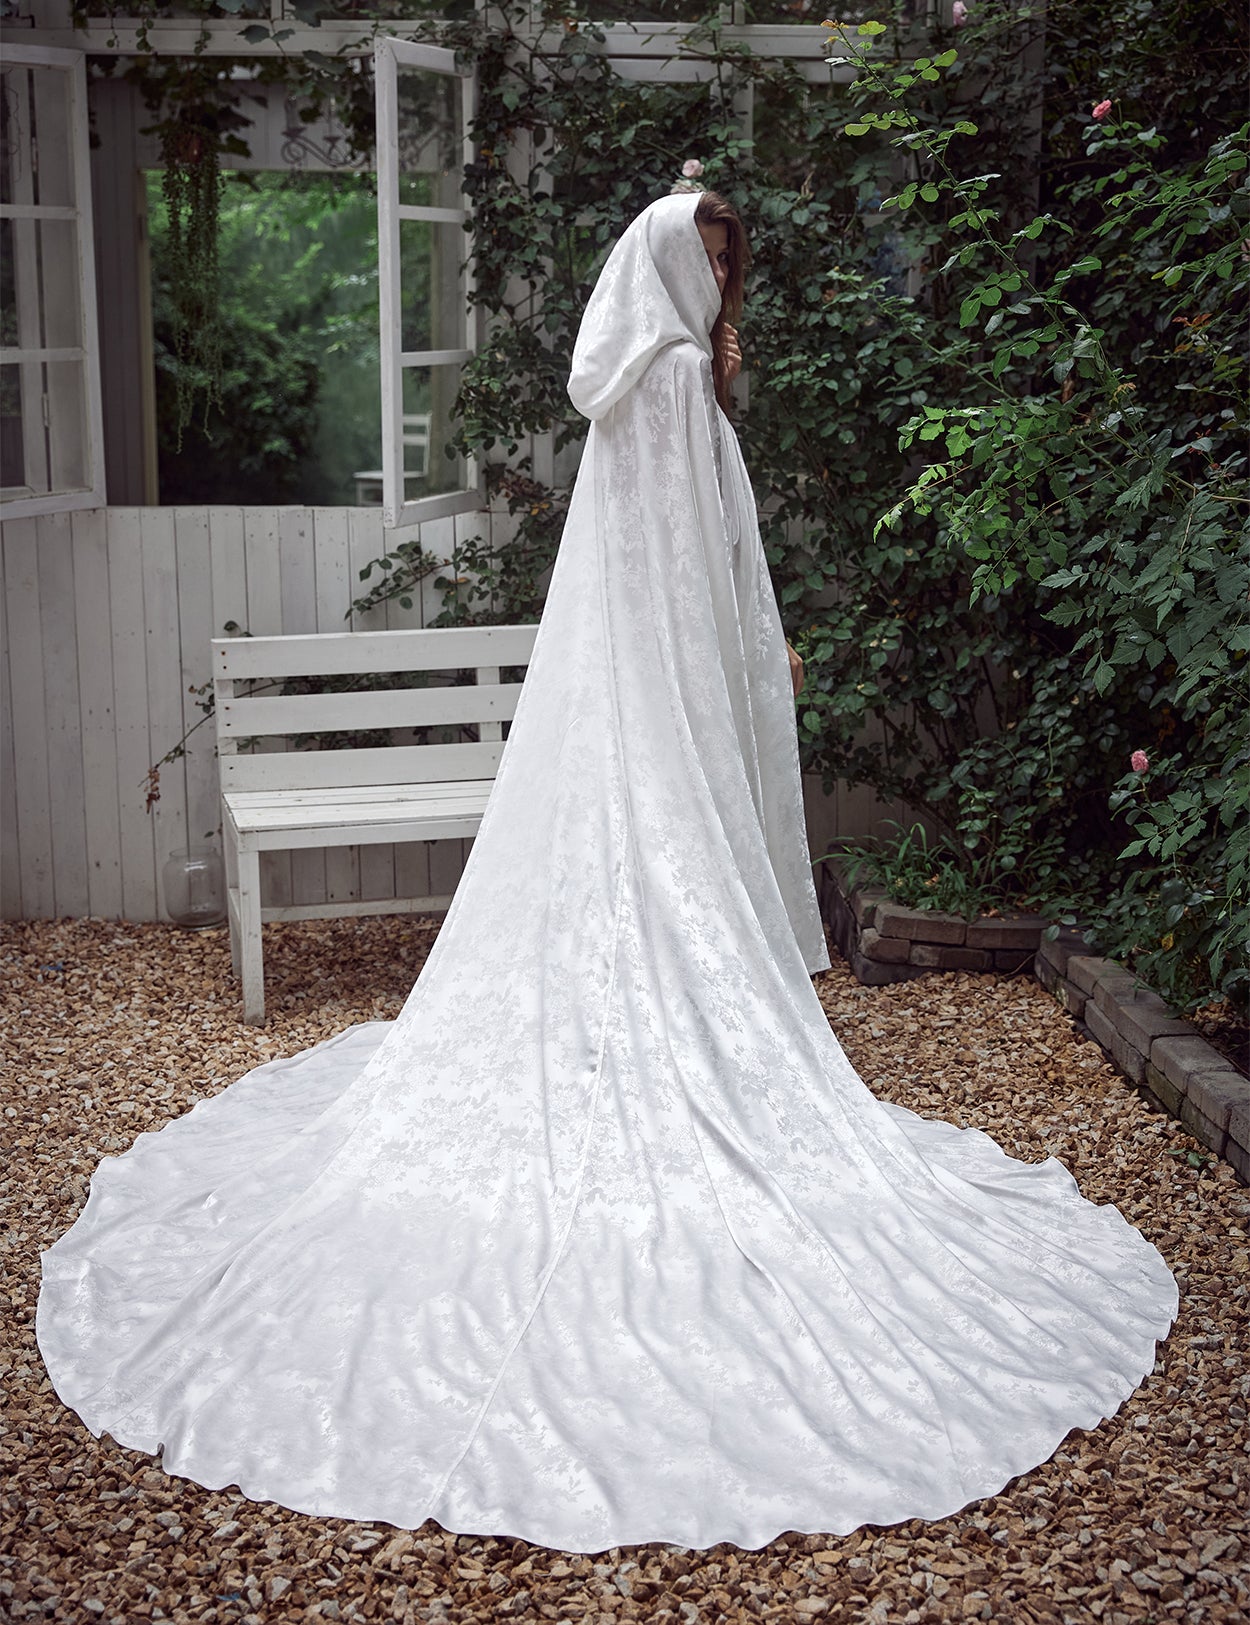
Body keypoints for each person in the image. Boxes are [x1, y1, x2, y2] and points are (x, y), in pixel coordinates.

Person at [36, 190, 1178, 1556]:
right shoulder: (680, 375)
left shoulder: (635, 379)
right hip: (659, 686)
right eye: (701, 249)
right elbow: (692, 560)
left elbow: (656, 549)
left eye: (727, 252)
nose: (717, 268)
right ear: (655, 261)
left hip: (614, 691)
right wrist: (752, 653)